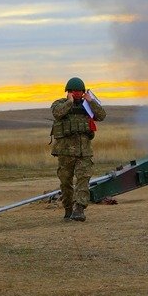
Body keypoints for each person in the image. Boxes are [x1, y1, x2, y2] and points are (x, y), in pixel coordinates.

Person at [50, 77, 106, 221]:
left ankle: (79, 209)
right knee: (65, 182)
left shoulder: (88, 106)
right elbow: (57, 113)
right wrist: (69, 102)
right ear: (68, 92)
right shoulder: (59, 104)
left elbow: (101, 115)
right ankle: (68, 209)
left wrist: (91, 101)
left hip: (84, 152)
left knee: (83, 180)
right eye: (73, 91)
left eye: (80, 91)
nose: (77, 93)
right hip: (65, 152)